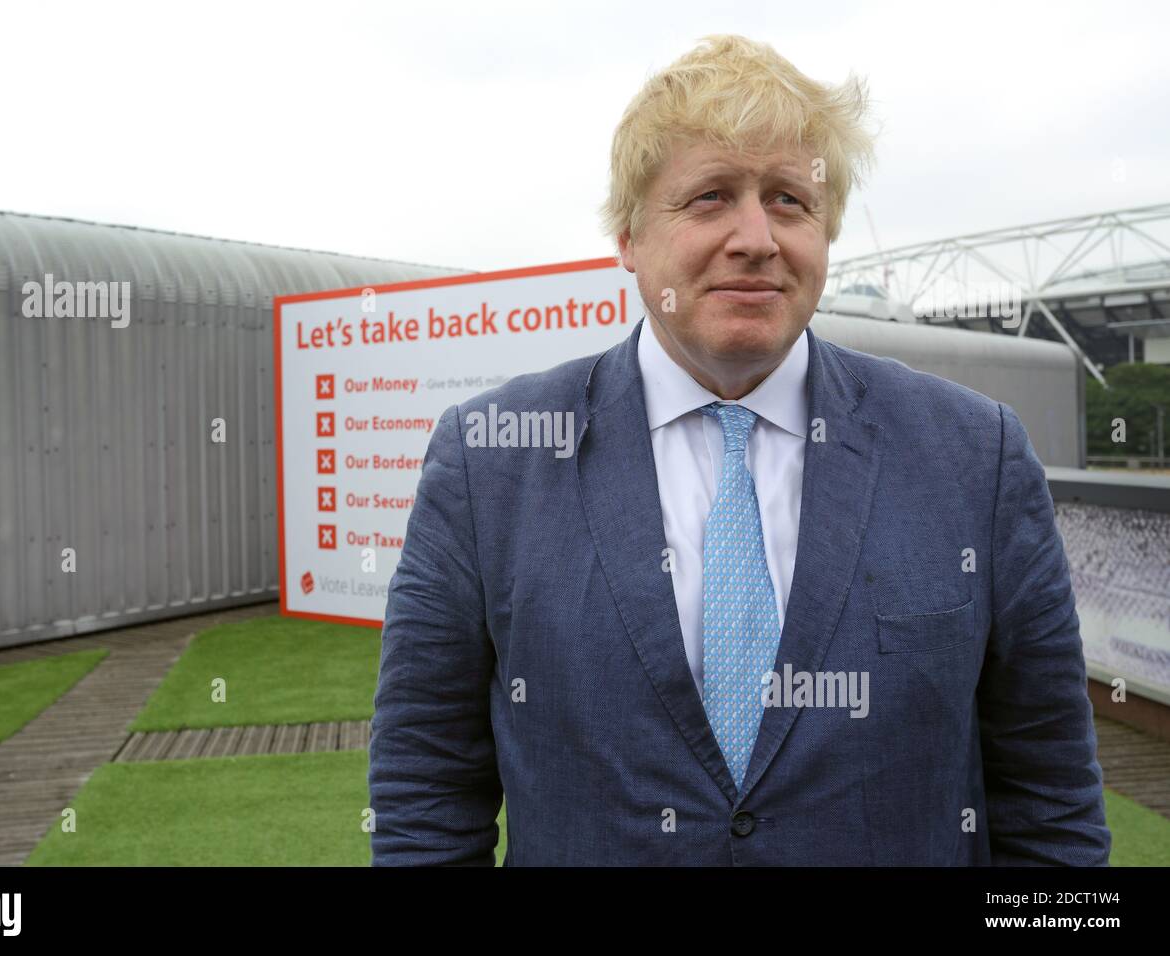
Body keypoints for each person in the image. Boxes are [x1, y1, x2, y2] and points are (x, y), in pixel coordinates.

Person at [367, 34, 1111, 865]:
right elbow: (427, 789)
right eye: (711, 197)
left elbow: (1051, 799)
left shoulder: (977, 455)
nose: (756, 236)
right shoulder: (489, 464)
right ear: (628, 235)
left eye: (790, 200)